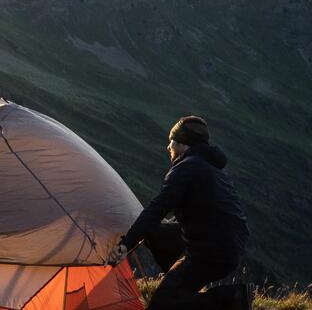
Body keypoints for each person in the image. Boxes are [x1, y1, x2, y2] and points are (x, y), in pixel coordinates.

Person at [108, 116, 251, 309]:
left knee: (162, 304)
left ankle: (232, 299)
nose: (169, 147)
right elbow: (201, 210)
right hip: (227, 244)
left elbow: (157, 208)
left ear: (184, 144)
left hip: (211, 251)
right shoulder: (210, 168)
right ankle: (181, 283)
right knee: (155, 231)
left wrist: (126, 245)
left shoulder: (186, 168)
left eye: (172, 141)